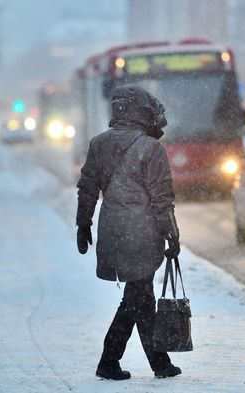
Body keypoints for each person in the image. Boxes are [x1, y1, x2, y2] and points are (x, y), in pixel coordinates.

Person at [76, 85, 182, 380]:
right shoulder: (151, 148)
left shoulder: (99, 144)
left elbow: (87, 189)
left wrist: (83, 224)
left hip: (112, 230)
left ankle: (157, 363)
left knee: (139, 296)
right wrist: (171, 234)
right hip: (142, 232)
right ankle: (112, 360)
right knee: (137, 297)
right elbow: (162, 198)